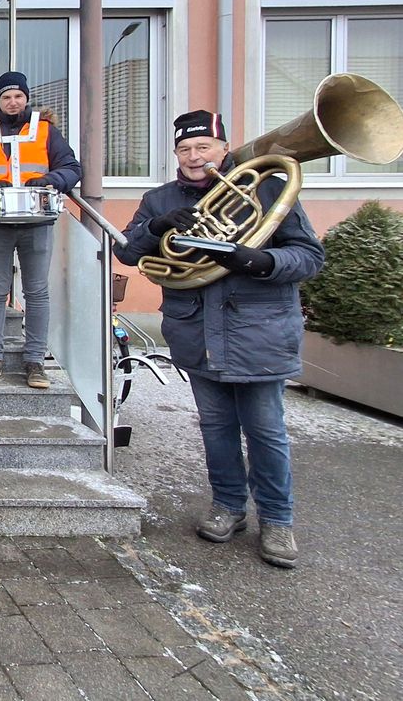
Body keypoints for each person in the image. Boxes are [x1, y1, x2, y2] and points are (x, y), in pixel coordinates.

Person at [115, 110, 323, 569]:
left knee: (266, 432)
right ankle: (228, 506)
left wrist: (261, 262)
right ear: (175, 154)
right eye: (185, 149)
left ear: (224, 149)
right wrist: (157, 227)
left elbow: (309, 256)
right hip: (196, 332)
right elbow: (127, 252)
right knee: (216, 428)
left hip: (258, 330)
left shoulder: (265, 188)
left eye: (203, 148)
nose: (194, 157)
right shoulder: (160, 198)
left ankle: (277, 520)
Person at [0, 71, 82, 390]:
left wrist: (52, 180)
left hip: (37, 222)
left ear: (27, 98)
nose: (12, 102)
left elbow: (71, 168)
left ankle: (35, 361)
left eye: (18, 96)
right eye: (6, 97)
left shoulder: (46, 131)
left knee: (37, 291)